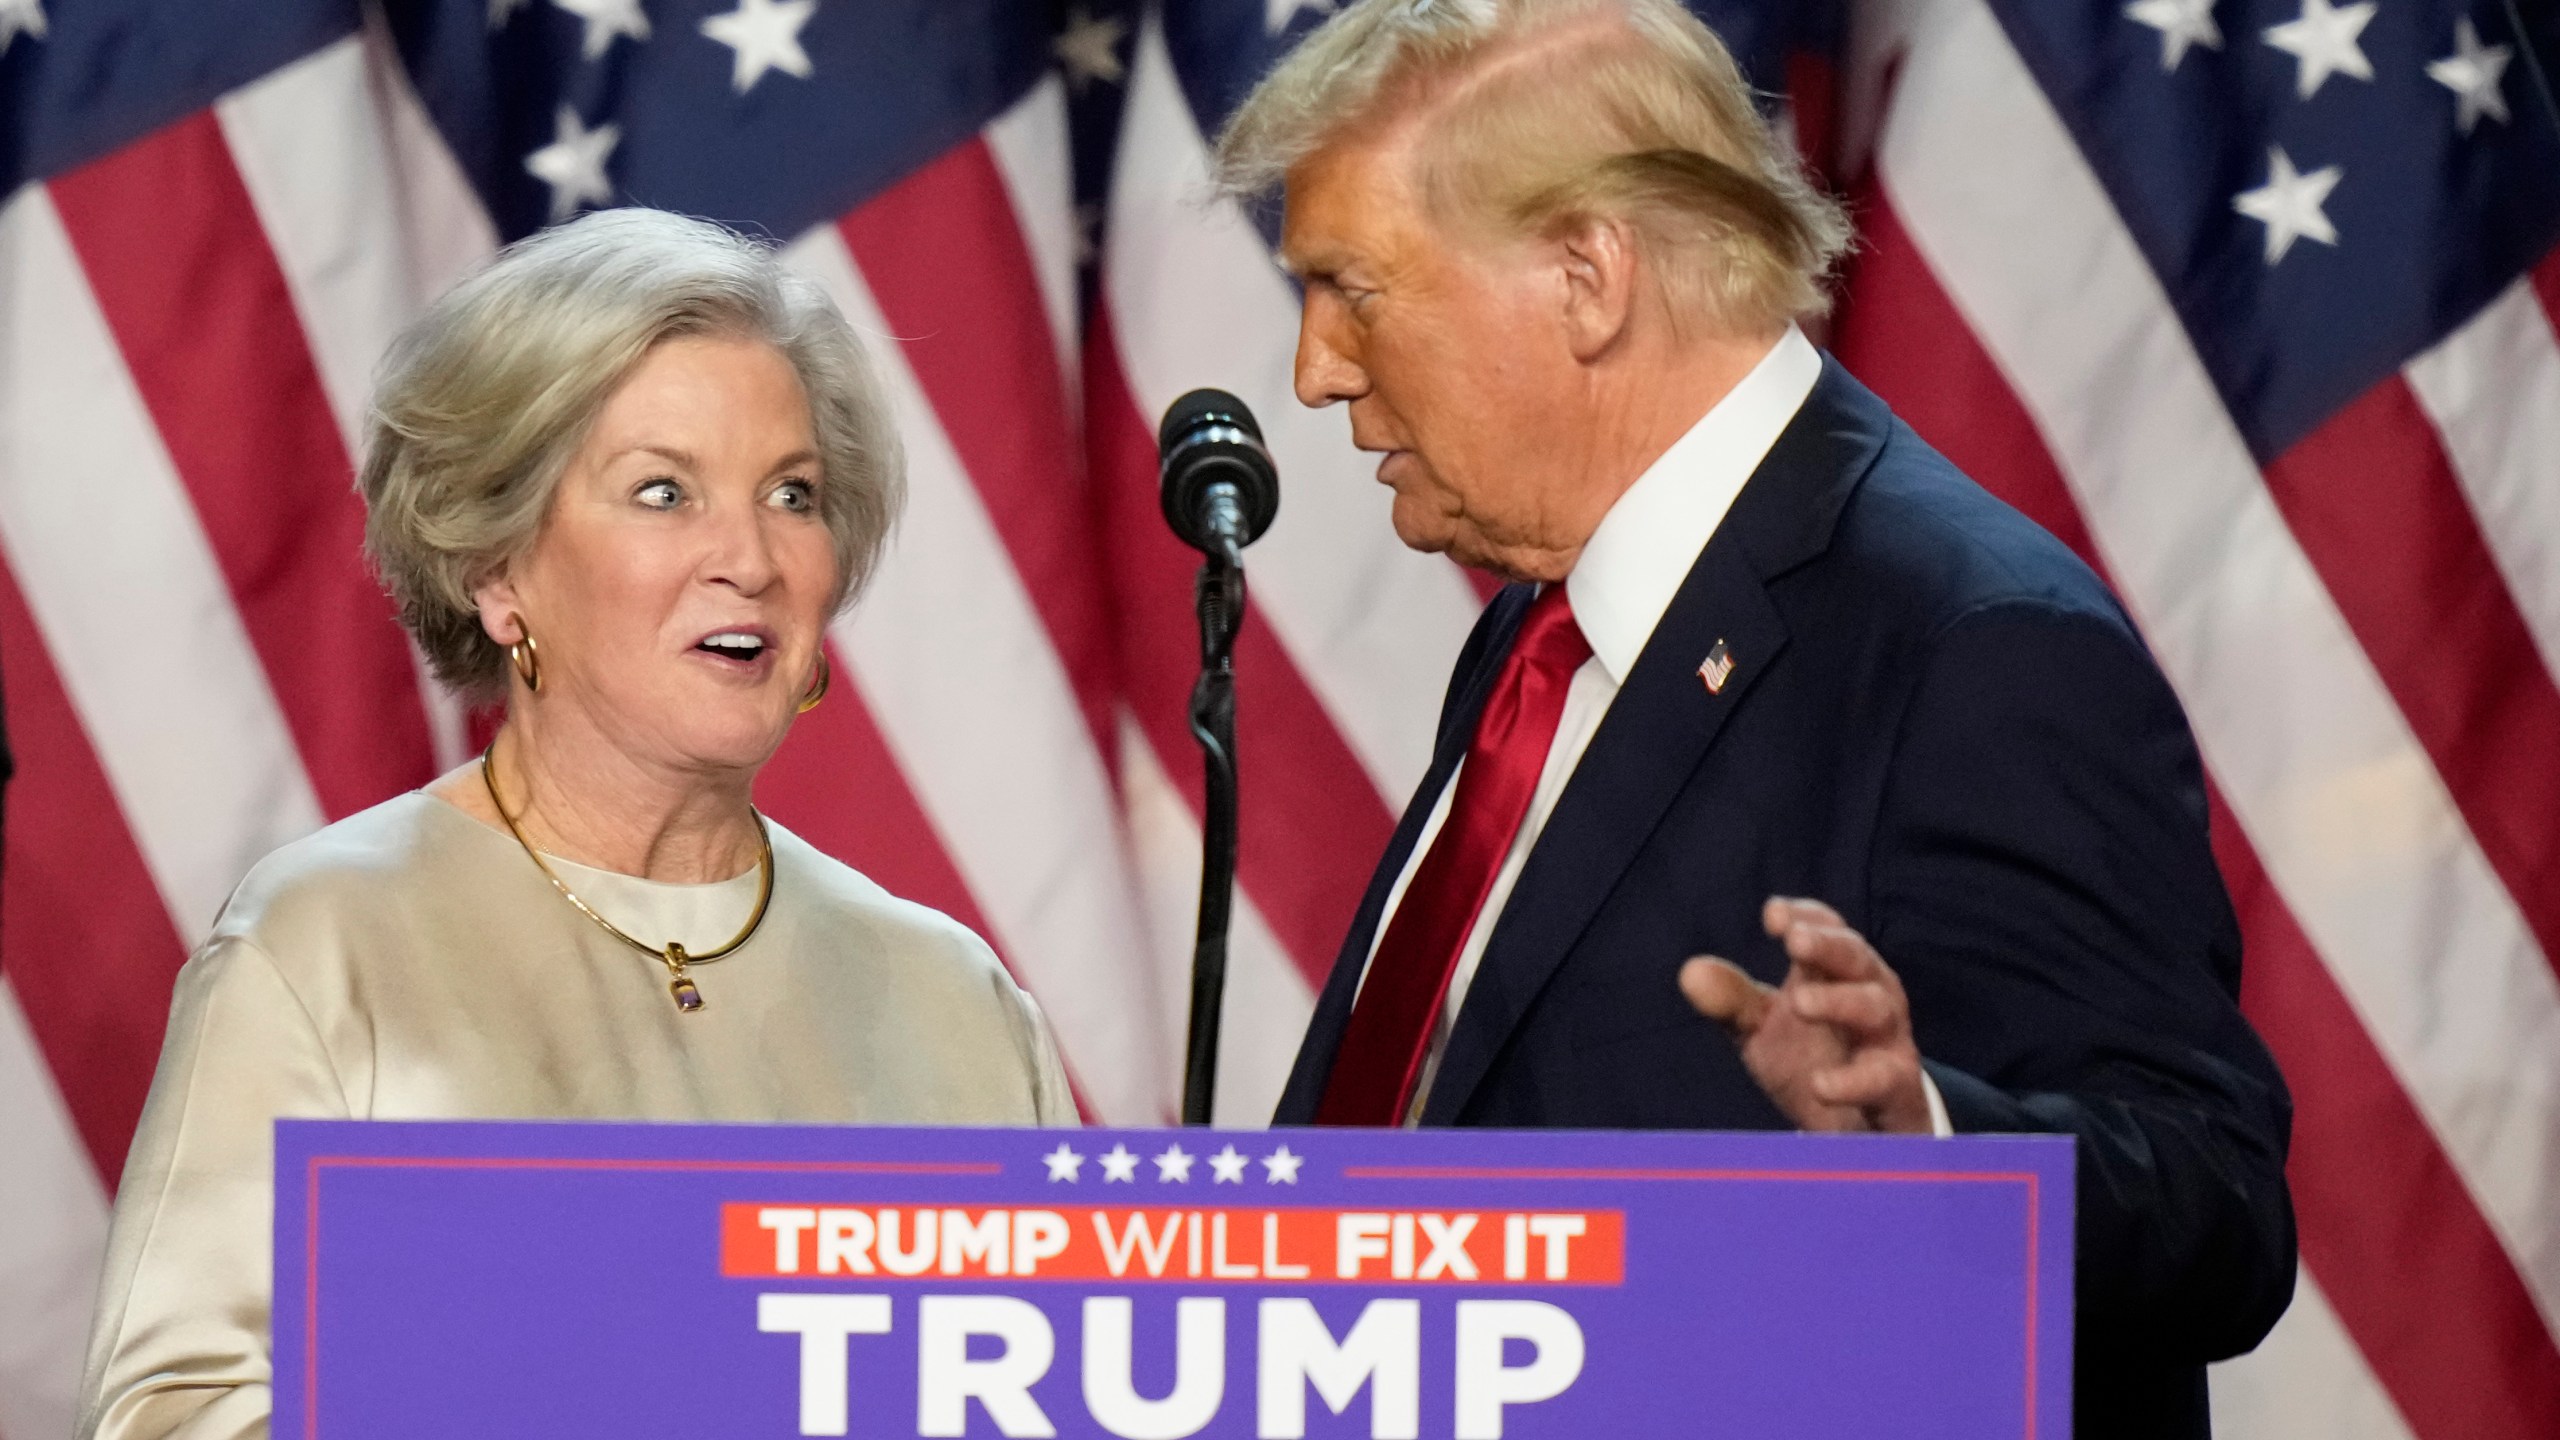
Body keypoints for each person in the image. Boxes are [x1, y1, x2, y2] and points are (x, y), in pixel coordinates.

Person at [1222, 2, 2293, 1435]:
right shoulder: (1542, 634)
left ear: (1587, 276)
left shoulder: (1971, 640)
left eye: (1353, 288)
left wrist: (1930, 1143)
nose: (1316, 369)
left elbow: (2217, 1206)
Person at [75, 208, 1075, 1440]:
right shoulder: (327, 944)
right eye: (664, 491)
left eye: (792, 494)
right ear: (498, 571)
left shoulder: (957, 999)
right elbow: (168, 1413)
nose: (751, 559)